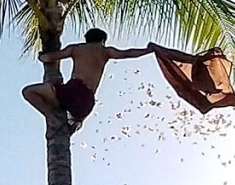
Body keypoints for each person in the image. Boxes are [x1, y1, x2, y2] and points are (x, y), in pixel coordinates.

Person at [21, 28, 152, 131]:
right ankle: (75, 124)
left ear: (86, 39)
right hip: (87, 104)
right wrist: (148, 50)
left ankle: (52, 118)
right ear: (102, 40)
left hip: (72, 92)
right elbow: (127, 53)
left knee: (28, 92)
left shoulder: (77, 48)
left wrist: (42, 57)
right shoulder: (105, 51)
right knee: (74, 120)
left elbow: (50, 58)